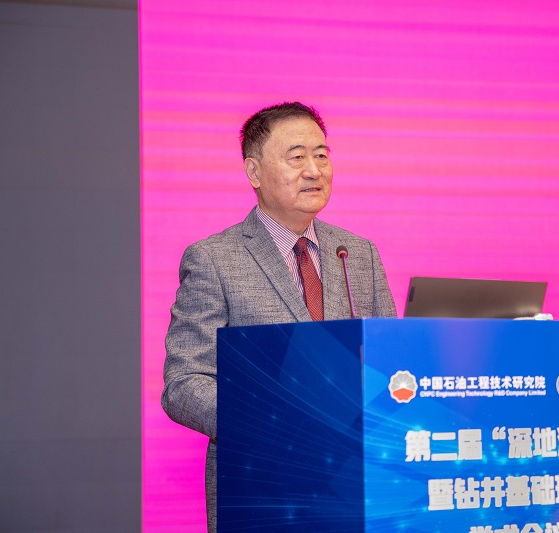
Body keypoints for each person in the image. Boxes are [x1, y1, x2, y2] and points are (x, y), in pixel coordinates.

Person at [161, 102, 397, 531]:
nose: (314, 170)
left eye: (321, 155)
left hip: (358, 485)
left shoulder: (357, 253)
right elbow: (184, 383)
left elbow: (391, 361)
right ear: (253, 172)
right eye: (297, 157)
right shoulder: (214, 260)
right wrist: (269, 421)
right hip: (262, 485)